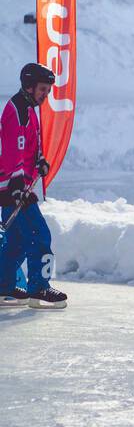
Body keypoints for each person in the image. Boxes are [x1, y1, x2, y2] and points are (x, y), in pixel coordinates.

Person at [0, 62, 67, 309]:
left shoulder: (29, 108)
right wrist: (17, 187)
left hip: (18, 187)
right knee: (40, 235)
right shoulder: (16, 109)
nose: (46, 95)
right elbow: (12, 151)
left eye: (48, 91)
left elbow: (30, 144)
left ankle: (2, 285)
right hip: (13, 189)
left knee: (16, 240)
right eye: (42, 89)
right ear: (29, 86)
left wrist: (39, 160)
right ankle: (39, 287)